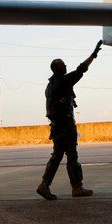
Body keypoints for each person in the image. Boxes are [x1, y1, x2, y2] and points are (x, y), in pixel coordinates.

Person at [36, 40, 102, 200]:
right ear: (58, 69)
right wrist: (93, 55)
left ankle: (44, 185)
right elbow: (81, 70)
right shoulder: (63, 81)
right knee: (72, 156)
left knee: (57, 155)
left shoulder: (50, 86)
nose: (66, 67)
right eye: (63, 65)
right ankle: (77, 187)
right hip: (65, 126)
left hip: (56, 127)